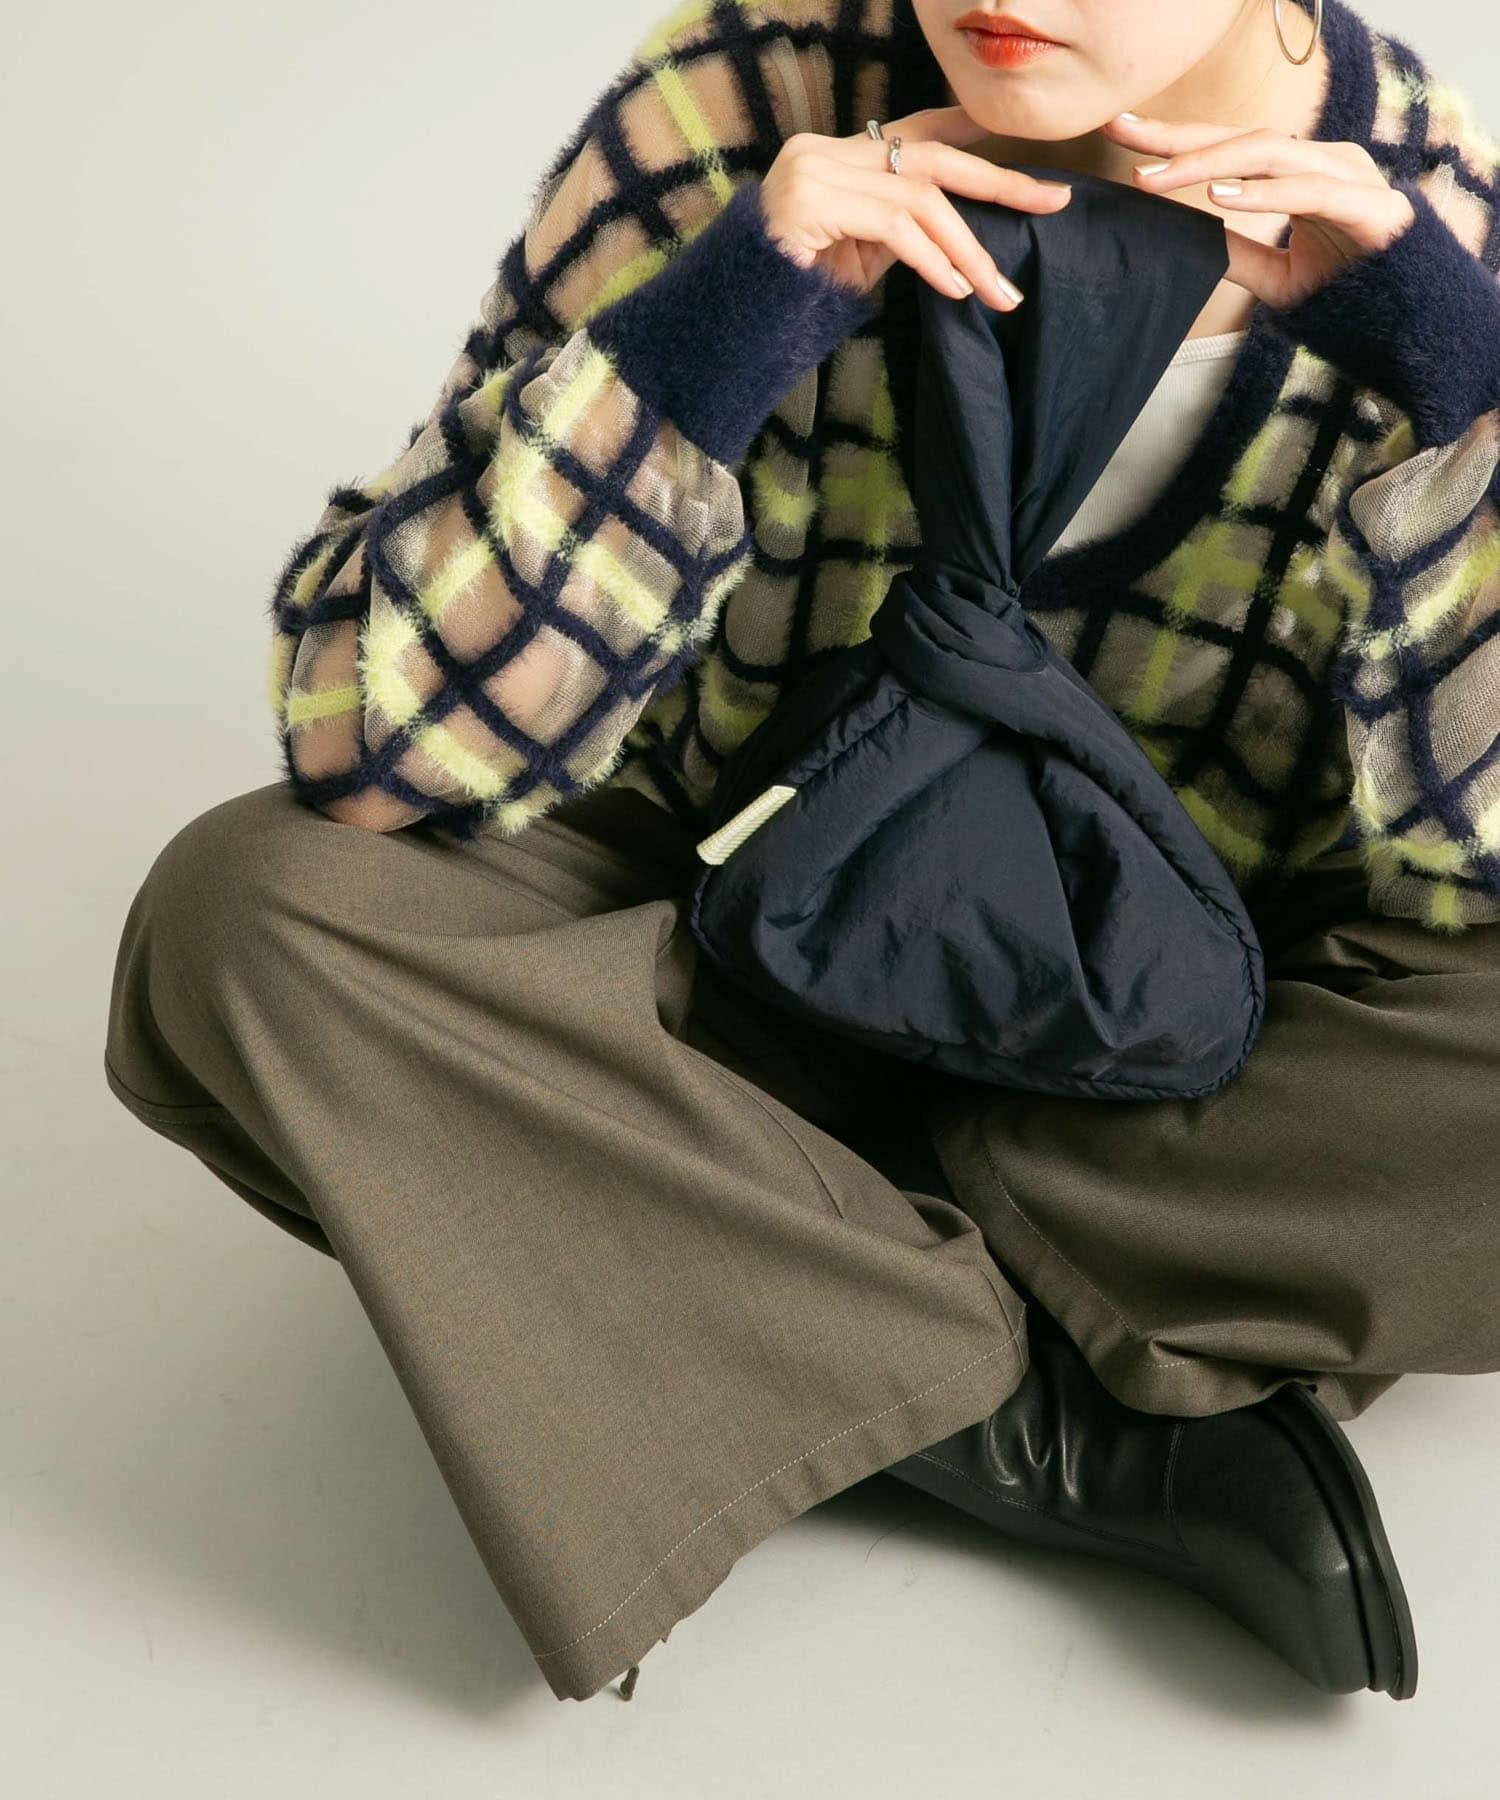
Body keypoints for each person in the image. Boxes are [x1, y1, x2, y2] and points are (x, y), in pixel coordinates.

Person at [104, 0, 1500, 1706]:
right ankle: (1063, 1412)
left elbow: (1472, 876)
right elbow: (373, 737)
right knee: (245, 925)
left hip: (1180, 1043)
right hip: (733, 935)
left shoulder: (1439, 207)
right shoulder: (741, 98)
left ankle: (750, 1268)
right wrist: (722, 325)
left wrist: (1459, 370)